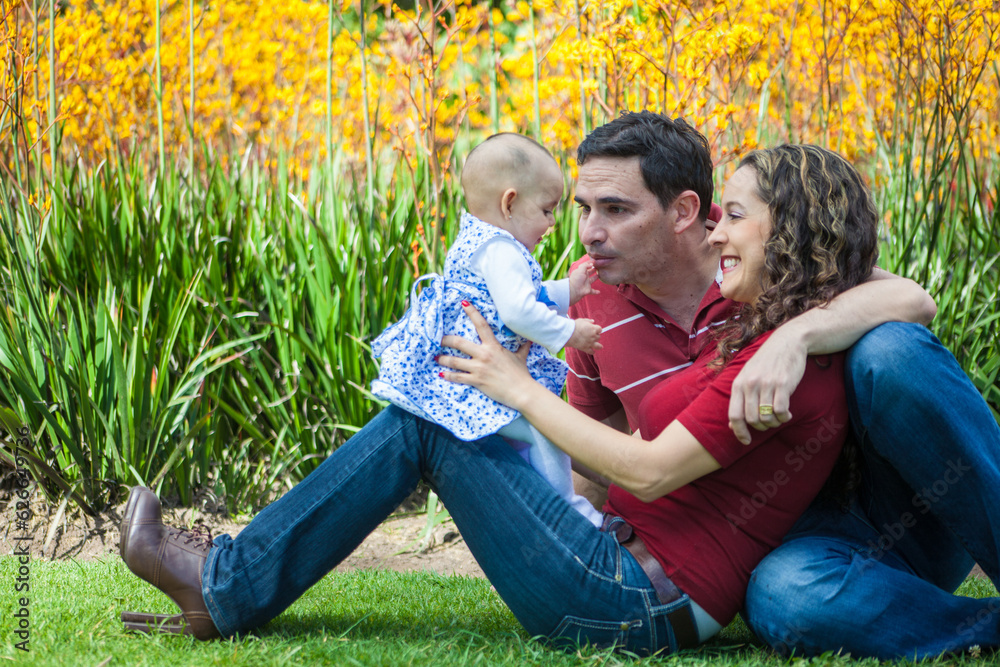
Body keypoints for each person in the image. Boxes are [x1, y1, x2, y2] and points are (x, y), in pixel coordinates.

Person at [118, 131, 886, 654]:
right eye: (577, 208)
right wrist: (539, 498)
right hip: (616, 561)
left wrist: (514, 388)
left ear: (786, 235)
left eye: (735, 218)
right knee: (441, 410)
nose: (718, 232)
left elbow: (649, 469)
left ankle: (224, 583)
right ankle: (225, 582)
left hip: (637, 600)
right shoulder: (769, 328)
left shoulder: (777, 354)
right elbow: (596, 460)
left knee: (433, 418)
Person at [559, 114, 1000, 659]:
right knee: (784, 597)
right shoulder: (588, 297)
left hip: (897, 504)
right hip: (795, 543)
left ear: (683, 212)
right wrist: (583, 562)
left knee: (889, 350)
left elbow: (913, 299)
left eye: (614, 208)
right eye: (584, 208)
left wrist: (794, 335)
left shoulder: (764, 257)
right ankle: (981, 628)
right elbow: (597, 455)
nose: (590, 231)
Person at [370, 132, 603, 527]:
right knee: (547, 431)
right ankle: (570, 513)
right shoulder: (501, 250)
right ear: (509, 203)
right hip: (481, 383)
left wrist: (568, 290)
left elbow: (515, 297)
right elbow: (517, 310)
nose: (552, 222)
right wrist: (569, 332)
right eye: (547, 210)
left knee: (523, 445)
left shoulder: (480, 240)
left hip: (476, 377)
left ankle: (539, 511)